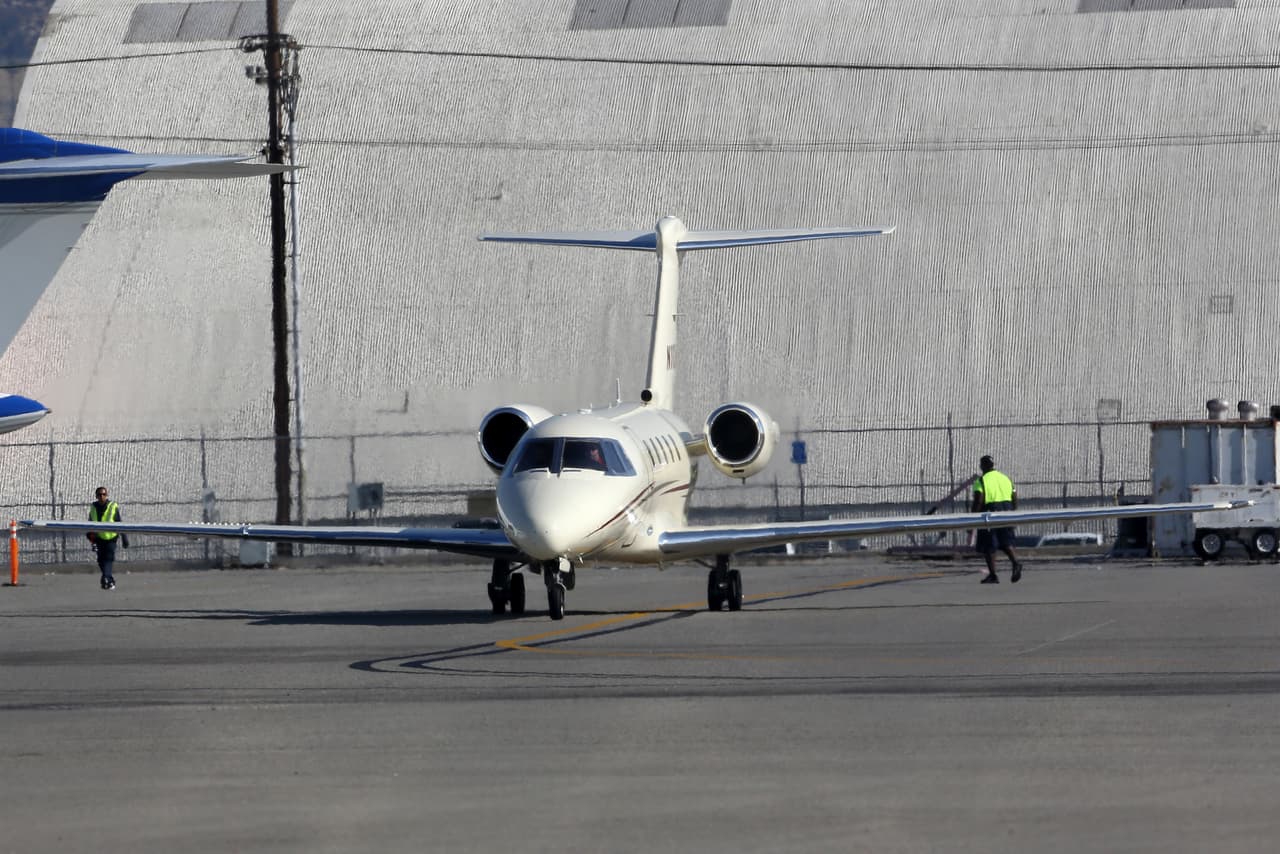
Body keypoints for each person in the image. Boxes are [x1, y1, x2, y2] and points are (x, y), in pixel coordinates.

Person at [971, 455, 1023, 584]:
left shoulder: (981, 481)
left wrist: (973, 516)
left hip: (990, 512)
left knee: (989, 546)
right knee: (1005, 542)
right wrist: (1013, 511)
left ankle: (993, 574)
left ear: (982, 466)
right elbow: (1014, 496)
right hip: (1006, 510)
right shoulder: (1006, 478)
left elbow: (979, 500)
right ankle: (1016, 563)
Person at [88, 486, 127, 590]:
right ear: (96, 496)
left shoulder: (112, 506)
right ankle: (109, 580)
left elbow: (119, 522)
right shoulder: (93, 507)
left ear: (107, 495)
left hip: (111, 538)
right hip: (99, 538)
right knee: (101, 560)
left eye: (104, 494)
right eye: (99, 495)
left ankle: (105, 577)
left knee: (108, 559)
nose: (102, 496)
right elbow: (90, 523)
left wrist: (124, 537)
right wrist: (91, 538)